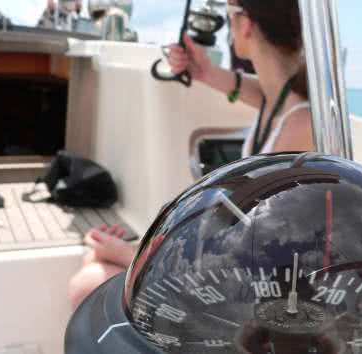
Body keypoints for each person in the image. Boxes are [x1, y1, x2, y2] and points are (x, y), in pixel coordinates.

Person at [68, 0, 314, 308]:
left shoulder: (298, 125)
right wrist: (204, 71)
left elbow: (257, 256)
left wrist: (129, 254)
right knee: (93, 256)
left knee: (87, 284)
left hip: (251, 292)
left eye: (228, 17)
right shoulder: (281, 102)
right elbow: (256, 91)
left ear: (246, 24)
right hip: (234, 266)